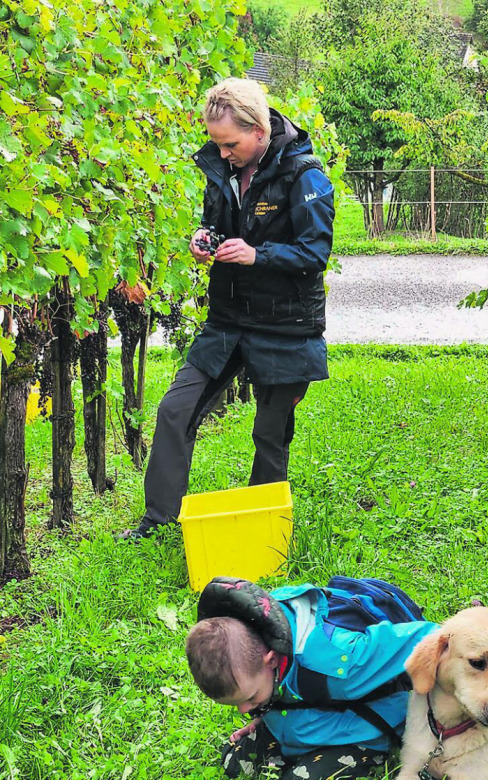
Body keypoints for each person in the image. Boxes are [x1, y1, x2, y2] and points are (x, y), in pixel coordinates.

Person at [120, 78, 334, 539]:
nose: (221, 154)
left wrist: (259, 255)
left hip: (286, 326)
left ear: (259, 130)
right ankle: (158, 522)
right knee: (175, 410)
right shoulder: (223, 170)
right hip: (228, 320)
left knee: (270, 434)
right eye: (216, 144)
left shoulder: (305, 175)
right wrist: (205, 239)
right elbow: (216, 223)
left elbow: (315, 253)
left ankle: (262, 531)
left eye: (230, 144)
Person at [185, 578, 438, 780]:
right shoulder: (258, 641)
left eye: (249, 699)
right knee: (234, 764)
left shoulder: (341, 661)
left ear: (271, 660)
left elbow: (429, 636)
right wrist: (261, 715)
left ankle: (373, 754)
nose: (243, 710)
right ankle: (288, 739)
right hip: (298, 721)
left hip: (360, 731)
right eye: (237, 704)